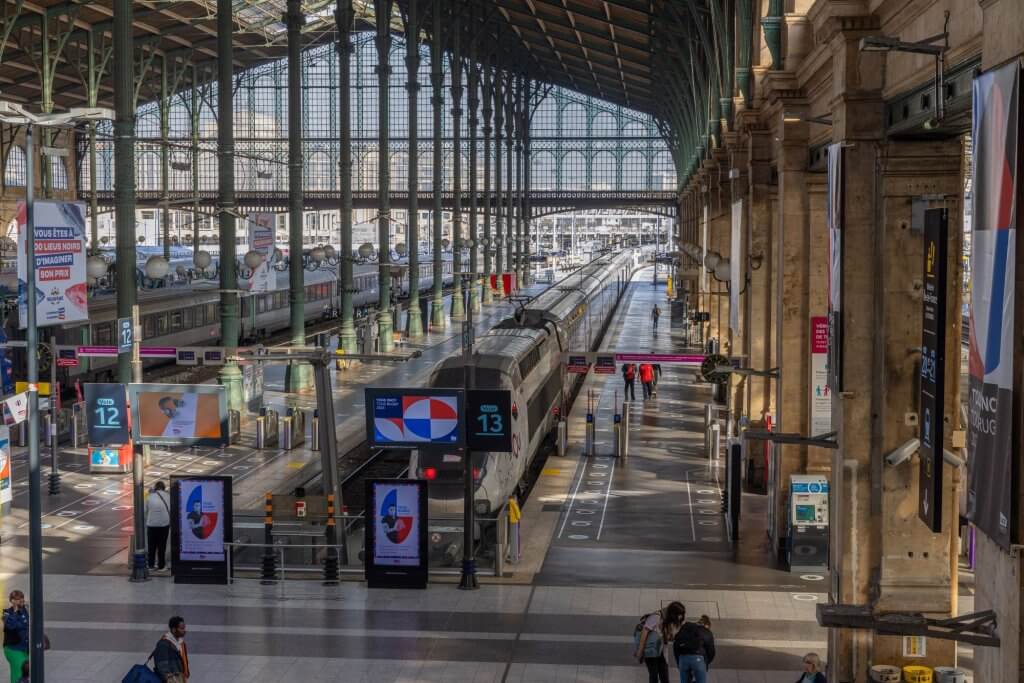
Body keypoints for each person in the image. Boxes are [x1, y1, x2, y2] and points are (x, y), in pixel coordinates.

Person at [673, 605, 708, 683]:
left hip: (683, 659)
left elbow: (675, 647)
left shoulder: (680, 630)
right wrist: (706, 661)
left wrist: (679, 662)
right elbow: (707, 645)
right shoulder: (698, 629)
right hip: (698, 658)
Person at [153, 616, 190, 683]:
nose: (184, 630)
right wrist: (170, 678)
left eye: (184, 628)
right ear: (174, 630)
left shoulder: (181, 643)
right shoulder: (164, 644)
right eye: (181, 628)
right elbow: (162, 665)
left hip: (179, 678)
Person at [2, 590, 28, 683]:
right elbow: (12, 625)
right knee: (19, 671)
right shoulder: (7, 614)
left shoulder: (25, 611)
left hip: (24, 648)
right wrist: (15, 611)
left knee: (24, 673)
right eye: (17, 599)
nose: (21, 600)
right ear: (12, 601)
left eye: (21, 598)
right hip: (13, 649)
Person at [146, 481, 171, 571]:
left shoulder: (149, 497)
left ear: (155, 488)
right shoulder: (168, 496)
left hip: (151, 524)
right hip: (164, 524)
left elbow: (145, 510)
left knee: (151, 546)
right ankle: (161, 566)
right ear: (164, 488)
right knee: (162, 546)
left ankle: (151, 565)